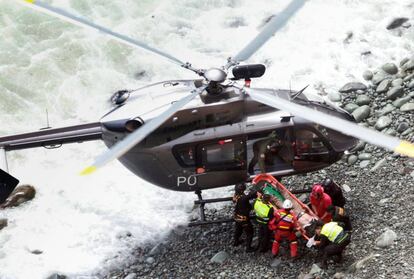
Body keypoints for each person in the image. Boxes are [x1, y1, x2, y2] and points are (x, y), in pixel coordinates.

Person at [233, 183, 256, 252]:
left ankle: (236, 242)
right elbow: (251, 195)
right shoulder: (243, 198)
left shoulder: (235, 196)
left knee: (238, 230)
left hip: (237, 216)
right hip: (244, 218)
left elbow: (248, 196)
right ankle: (248, 248)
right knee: (250, 233)